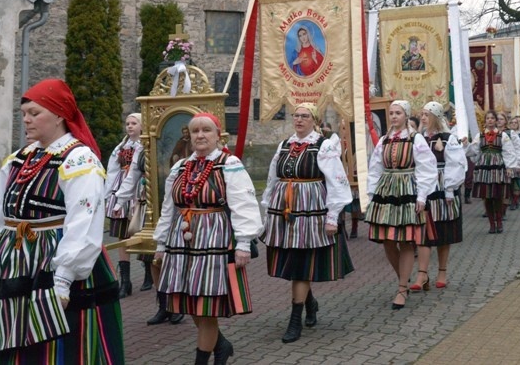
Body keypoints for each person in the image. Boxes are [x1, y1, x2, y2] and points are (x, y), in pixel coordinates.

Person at [0, 78, 124, 363]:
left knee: (53, 346)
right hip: (8, 262)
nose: (27, 120)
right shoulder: (18, 159)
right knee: (4, 336)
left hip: (54, 262)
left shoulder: (79, 160)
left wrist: (63, 279)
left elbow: (84, 222)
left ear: (58, 115)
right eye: (24, 114)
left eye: (35, 113)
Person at [153, 113, 262, 364]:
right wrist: (161, 243)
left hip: (214, 240)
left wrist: (243, 243)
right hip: (182, 242)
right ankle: (221, 345)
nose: (200, 135)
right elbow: (168, 208)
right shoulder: (180, 167)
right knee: (191, 302)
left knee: (206, 305)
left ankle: (202, 360)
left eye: (206, 130)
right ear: (189, 136)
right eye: (195, 131)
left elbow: (243, 204)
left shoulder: (229, 163)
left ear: (218, 135)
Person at [261, 103, 353, 343]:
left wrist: (333, 216)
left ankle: (295, 319)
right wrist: (267, 211)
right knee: (294, 262)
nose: (299, 120)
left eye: (304, 116)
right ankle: (310, 303)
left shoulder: (323, 146)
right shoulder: (284, 145)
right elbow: (273, 178)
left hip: (310, 212)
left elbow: (337, 181)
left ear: (314, 120)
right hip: (285, 212)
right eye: (296, 115)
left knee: (301, 264)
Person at [365, 100, 438, 309]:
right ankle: (403, 280)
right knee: (388, 240)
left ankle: (401, 288)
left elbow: (427, 168)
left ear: (406, 115)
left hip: (408, 190)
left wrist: (422, 196)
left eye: (398, 113)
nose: (394, 116)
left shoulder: (416, 140)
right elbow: (375, 168)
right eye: (391, 113)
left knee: (406, 240)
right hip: (386, 192)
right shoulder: (384, 140)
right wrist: (371, 195)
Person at [411, 102, 466, 292]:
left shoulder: (448, 138)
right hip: (424, 189)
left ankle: (442, 272)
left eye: (427, 114)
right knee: (424, 231)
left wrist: (450, 189)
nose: (423, 118)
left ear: (435, 116)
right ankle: (422, 274)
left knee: (443, 231)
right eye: (422, 114)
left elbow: (457, 164)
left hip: (442, 188)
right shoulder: (418, 139)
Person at [105, 113, 145, 298]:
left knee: (141, 232)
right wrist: (108, 195)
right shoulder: (121, 147)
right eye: (127, 123)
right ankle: (125, 281)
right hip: (121, 188)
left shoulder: (144, 145)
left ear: (141, 125)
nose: (129, 126)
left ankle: (148, 273)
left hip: (139, 188)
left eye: (134, 123)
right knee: (122, 235)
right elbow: (112, 170)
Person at [465, 110, 518, 234]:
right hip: (484, 168)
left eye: (492, 118)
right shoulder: (480, 136)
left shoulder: (503, 136)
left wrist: (510, 167)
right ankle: (491, 224)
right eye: (488, 118)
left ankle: (499, 221)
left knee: (497, 195)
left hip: (497, 168)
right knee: (487, 197)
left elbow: (508, 151)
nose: (490, 120)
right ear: (485, 121)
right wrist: (466, 144)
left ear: (495, 121)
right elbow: (474, 152)